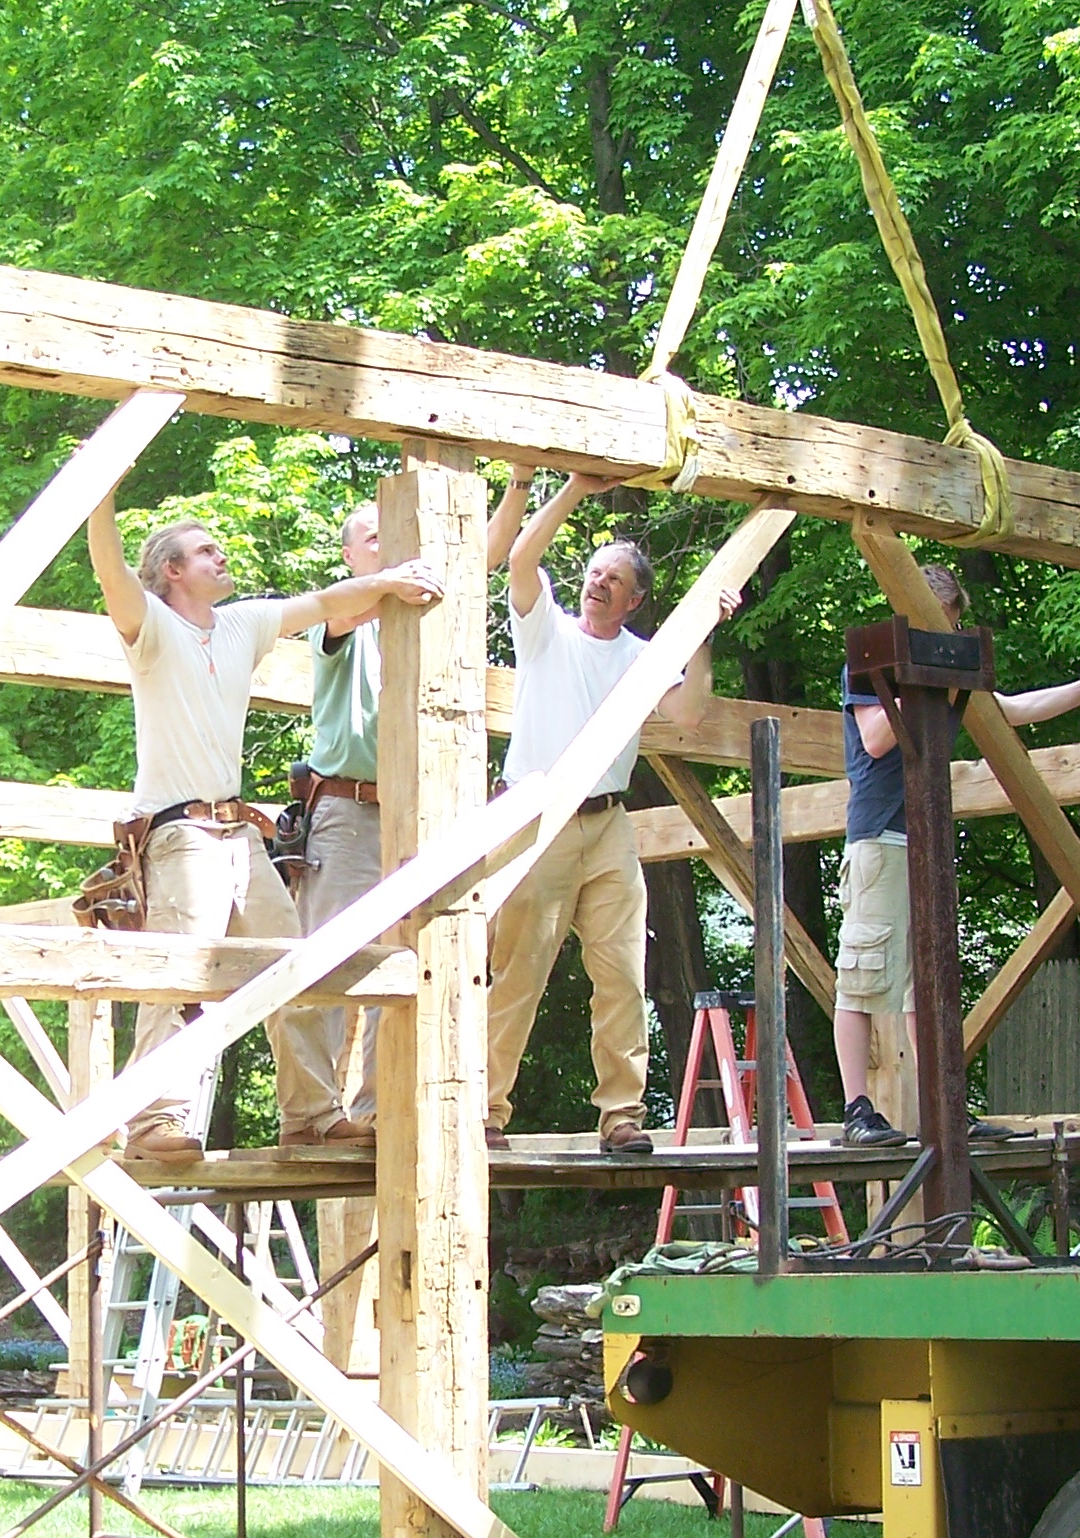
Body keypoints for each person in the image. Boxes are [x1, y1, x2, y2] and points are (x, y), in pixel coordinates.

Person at [88, 500, 442, 1157]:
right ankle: (154, 1121)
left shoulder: (241, 624)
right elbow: (111, 571)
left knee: (293, 963)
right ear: (172, 571)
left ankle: (310, 1115)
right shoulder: (151, 626)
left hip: (237, 831)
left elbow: (327, 601)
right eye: (205, 551)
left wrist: (388, 583)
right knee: (180, 972)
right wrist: (100, 498)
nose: (220, 556)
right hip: (180, 831)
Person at [482, 470, 734, 1155]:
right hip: (537, 819)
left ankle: (621, 1114)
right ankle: (486, 1111)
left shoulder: (643, 658)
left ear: (635, 600)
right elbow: (521, 559)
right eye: (595, 573)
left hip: (607, 825)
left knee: (621, 971)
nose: (598, 583)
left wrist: (701, 633)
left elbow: (688, 712)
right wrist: (574, 488)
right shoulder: (547, 631)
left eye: (614, 579)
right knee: (519, 971)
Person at [289, 477, 546, 1145]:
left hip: (417, 815)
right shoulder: (341, 622)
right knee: (328, 963)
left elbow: (483, 555)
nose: (386, 545)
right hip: (348, 813)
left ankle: (380, 1111)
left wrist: (519, 484)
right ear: (350, 556)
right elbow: (348, 609)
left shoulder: (420, 614)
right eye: (372, 537)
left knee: (401, 964)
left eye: (392, 534)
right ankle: (313, 1115)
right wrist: (395, 582)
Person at [834, 565, 1080, 1149]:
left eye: (950, 627)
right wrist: (927, 676)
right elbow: (876, 738)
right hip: (880, 838)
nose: (945, 637)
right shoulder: (872, 663)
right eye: (936, 625)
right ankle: (856, 1110)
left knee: (926, 987)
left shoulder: (949, 675)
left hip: (927, 841)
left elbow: (1012, 710)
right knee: (862, 979)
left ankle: (944, 1107)